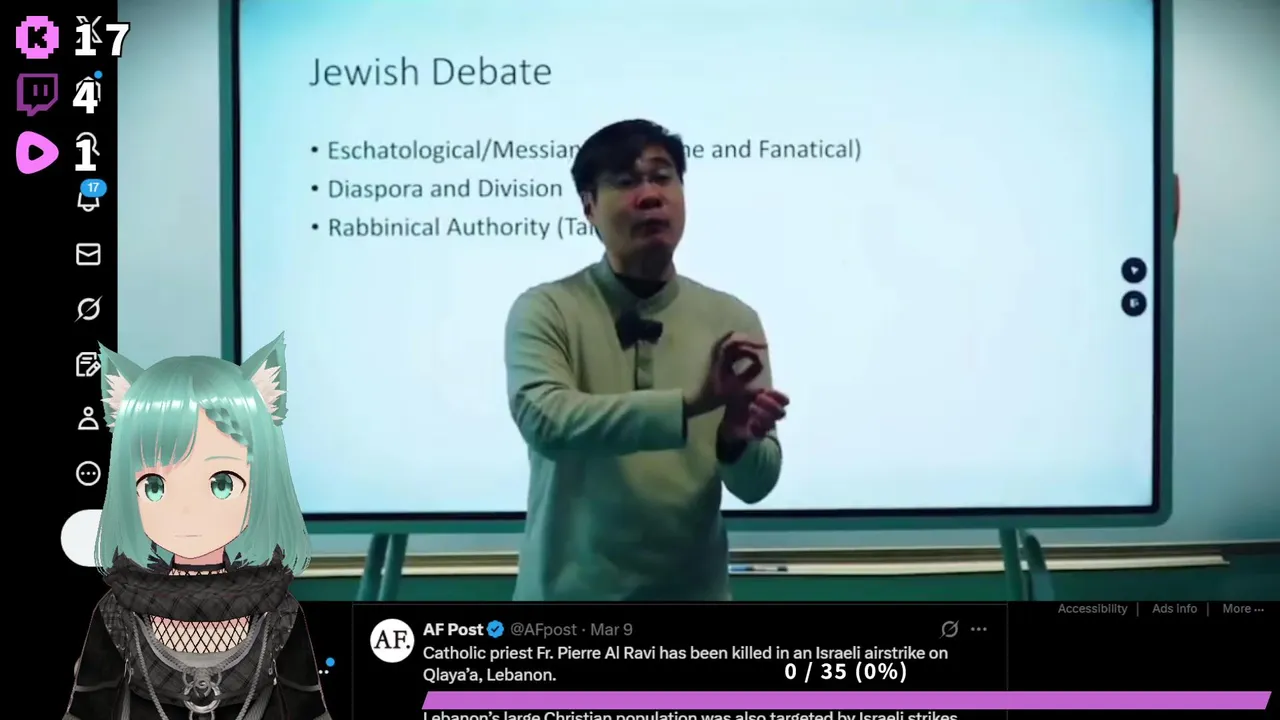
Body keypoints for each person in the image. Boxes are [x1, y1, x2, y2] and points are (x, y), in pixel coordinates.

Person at [504, 119, 790, 601]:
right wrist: (693, 404)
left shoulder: (732, 318)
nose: (651, 195)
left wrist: (735, 438)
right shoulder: (547, 308)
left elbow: (756, 485)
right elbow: (546, 421)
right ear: (589, 206)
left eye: (662, 177)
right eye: (625, 181)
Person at [65, 335, 330, 720]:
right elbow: (87, 711)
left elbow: (309, 711)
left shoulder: (280, 611)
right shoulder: (117, 611)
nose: (186, 512)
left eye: (222, 483)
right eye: (154, 486)